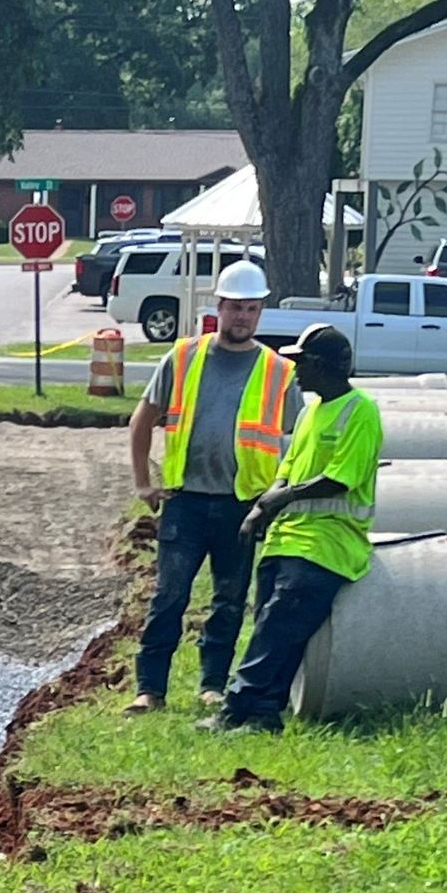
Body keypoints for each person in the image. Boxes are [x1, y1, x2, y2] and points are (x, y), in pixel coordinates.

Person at [125, 261, 301, 714]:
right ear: (218, 307)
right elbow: (142, 420)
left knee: (229, 600)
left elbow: (297, 443)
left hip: (242, 506)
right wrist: (143, 483)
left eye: (251, 309)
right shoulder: (183, 357)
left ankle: (212, 684)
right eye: (235, 307)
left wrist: (276, 498)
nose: (243, 316)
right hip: (184, 501)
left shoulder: (278, 372)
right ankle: (150, 689)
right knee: (169, 597)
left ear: (260, 312)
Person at [201, 323, 381, 735]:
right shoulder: (308, 413)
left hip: (328, 541)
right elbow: (288, 468)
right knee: (273, 624)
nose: (296, 371)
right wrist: (262, 507)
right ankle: (264, 713)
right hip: (288, 538)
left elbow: (340, 478)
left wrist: (280, 499)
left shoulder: (360, 412)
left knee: (277, 625)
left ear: (323, 365)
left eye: (302, 363)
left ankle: (235, 706)